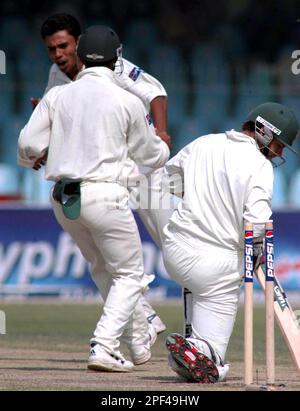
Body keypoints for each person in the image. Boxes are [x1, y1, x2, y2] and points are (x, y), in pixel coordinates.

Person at [18, 25, 170, 372]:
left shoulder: (58, 95)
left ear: (81, 56)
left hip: (64, 197)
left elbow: (28, 145)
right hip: (106, 194)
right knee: (130, 274)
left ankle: (138, 339)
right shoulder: (127, 100)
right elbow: (150, 155)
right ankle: (103, 345)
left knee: (103, 267)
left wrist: (40, 154)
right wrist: (162, 144)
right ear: (116, 58)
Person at [161, 102, 299, 383]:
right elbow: (257, 222)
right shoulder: (259, 166)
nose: (280, 152)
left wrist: (200, 196)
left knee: (200, 286)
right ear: (263, 132)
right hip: (216, 267)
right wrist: (258, 249)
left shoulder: (203, 143)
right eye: (280, 144)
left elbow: (169, 178)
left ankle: (193, 344)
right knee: (213, 360)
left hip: (174, 250)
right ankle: (200, 349)